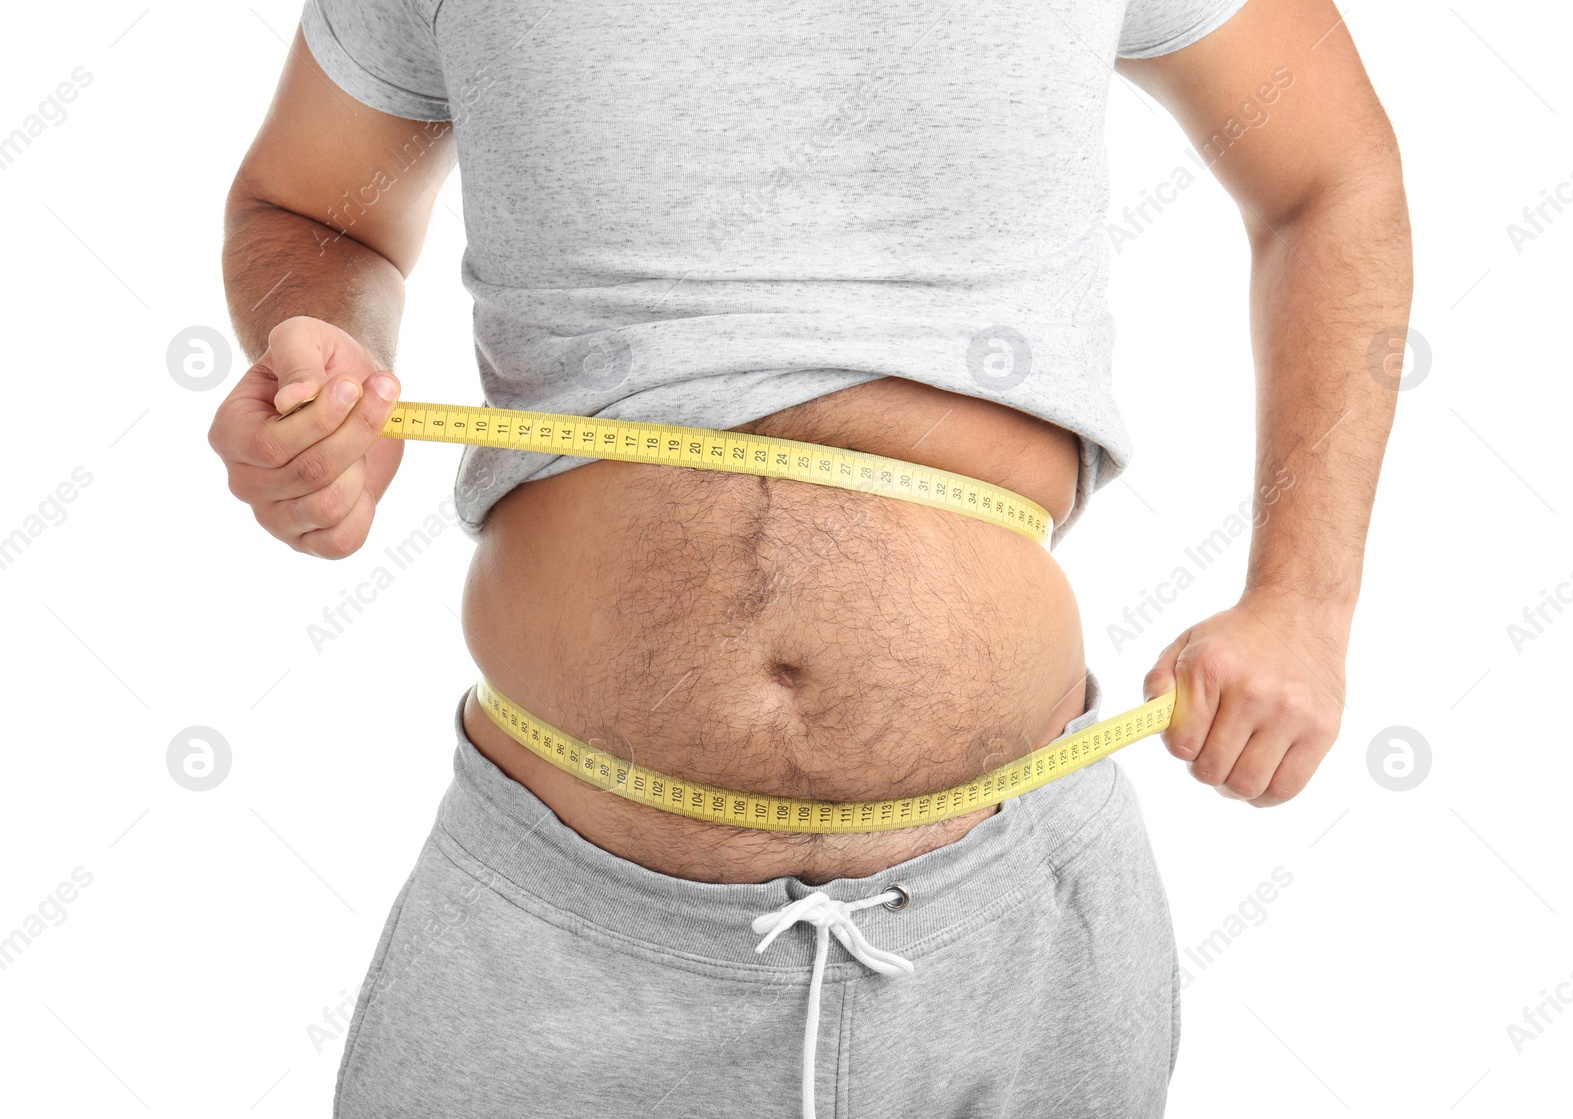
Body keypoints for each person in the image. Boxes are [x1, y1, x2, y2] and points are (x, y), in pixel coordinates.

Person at [208, 0, 1411, 1113]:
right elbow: (312, 209)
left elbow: (1328, 173)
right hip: (554, 951)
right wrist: (320, 362)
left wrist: (1304, 601)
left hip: (1011, 946)